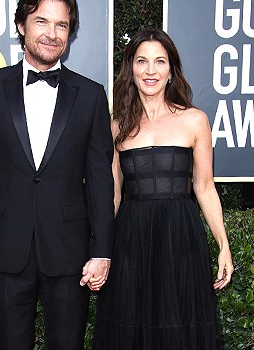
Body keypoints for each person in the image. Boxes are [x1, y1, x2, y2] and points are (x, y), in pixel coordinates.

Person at [0, 0, 114, 349]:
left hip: (70, 254)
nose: (52, 33)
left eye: (62, 25)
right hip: (4, 250)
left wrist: (102, 251)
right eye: (41, 21)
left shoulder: (90, 95)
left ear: (70, 33)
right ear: (21, 26)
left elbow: (101, 181)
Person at [93, 29, 234, 350]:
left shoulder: (195, 120)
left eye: (160, 61)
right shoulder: (117, 127)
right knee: (132, 325)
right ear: (131, 69)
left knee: (179, 325)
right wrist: (99, 248)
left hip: (180, 234)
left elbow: (205, 186)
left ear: (171, 70)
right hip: (131, 237)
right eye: (142, 62)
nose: (151, 70)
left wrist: (223, 244)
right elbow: (113, 194)